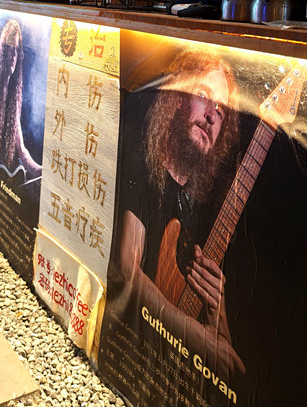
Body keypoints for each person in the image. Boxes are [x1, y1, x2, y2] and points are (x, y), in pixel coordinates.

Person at [114, 47, 245, 381]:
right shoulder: (143, 161)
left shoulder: (202, 205)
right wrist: (194, 334)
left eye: (222, 111)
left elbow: (226, 359)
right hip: (129, 350)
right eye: (203, 96)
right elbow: (128, 269)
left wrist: (218, 313)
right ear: (177, 98)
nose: (213, 116)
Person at [0, 18, 41, 183]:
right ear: (3, 51)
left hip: (5, 168)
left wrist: (39, 169)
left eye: (16, 50)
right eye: (9, 48)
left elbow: (21, 147)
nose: (13, 55)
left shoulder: (15, 94)